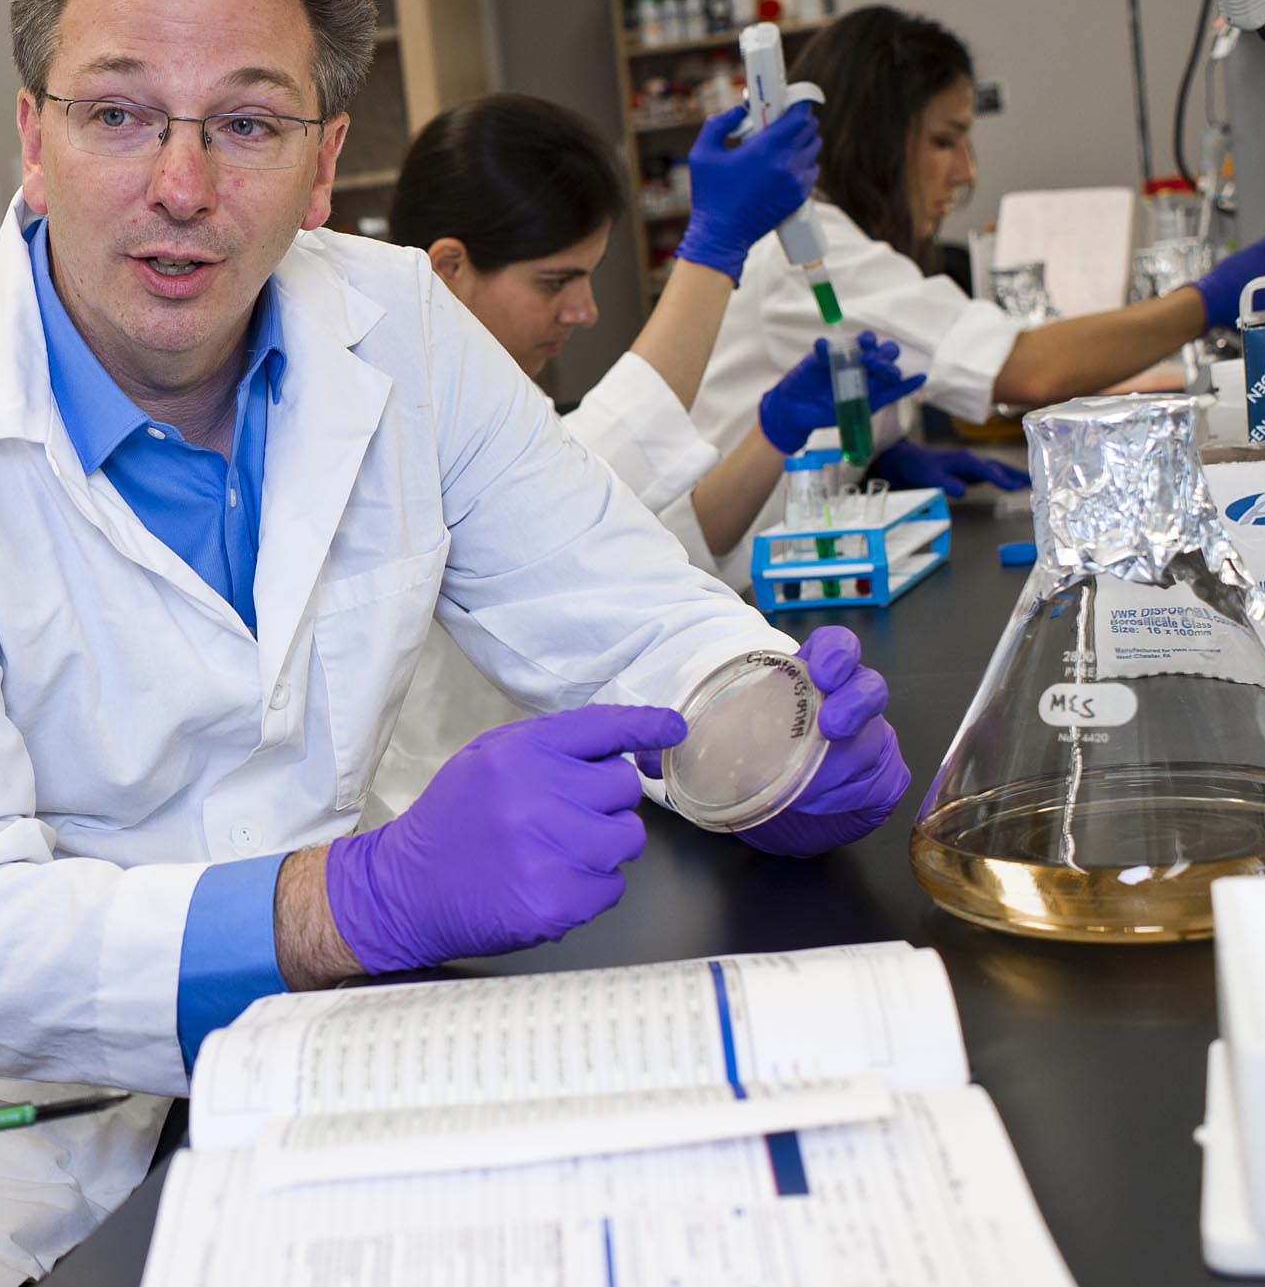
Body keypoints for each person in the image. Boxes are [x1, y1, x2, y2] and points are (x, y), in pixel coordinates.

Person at [0, 0, 912, 1287]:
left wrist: (765, 742)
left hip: (304, 1067)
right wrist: (357, 899)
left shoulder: (398, 323)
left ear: (325, 162)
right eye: (117, 114)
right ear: (32, 137)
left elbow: (624, 604)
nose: (180, 184)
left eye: (247, 123)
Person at [369, 93, 924, 818]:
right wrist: (714, 248)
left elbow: (632, 544)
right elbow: (597, 465)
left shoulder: (507, 400)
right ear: (449, 268)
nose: (585, 310)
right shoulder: (398, 420)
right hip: (445, 817)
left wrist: (772, 434)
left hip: (557, 797)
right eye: (555, 280)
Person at [686, 3, 1265, 580]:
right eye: (943, 141)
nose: (967, 172)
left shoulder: (843, 249)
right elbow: (1030, 369)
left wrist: (876, 460)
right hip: (726, 588)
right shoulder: (815, 255)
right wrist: (1204, 301)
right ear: (873, 141)